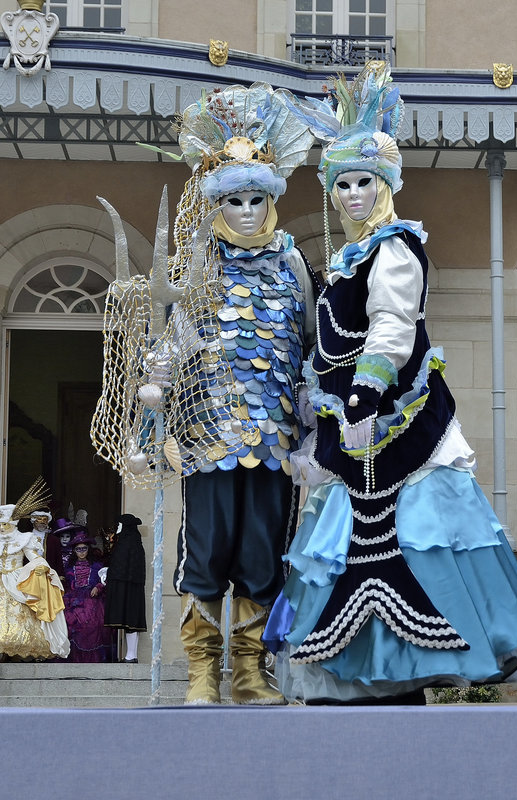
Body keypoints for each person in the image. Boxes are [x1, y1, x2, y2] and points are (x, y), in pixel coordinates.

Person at [264, 63, 517, 703]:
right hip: (351, 437)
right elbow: (329, 346)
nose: (352, 195)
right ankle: (380, 672)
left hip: (398, 420)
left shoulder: (395, 249)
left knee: (429, 533)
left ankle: (460, 651)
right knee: (348, 547)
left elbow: (392, 328)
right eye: (342, 184)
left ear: (386, 186)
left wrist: (362, 396)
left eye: (364, 183)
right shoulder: (345, 260)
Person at [91, 83, 317, 704]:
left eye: (256, 198)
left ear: (271, 199)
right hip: (209, 437)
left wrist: (316, 425)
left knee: (263, 550)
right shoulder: (198, 269)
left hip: (273, 438)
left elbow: (310, 350)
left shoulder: (294, 265)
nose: (246, 211)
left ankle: (250, 669)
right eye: (235, 200)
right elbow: (167, 353)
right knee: (208, 548)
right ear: (218, 204)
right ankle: (200, 670)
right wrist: (150, 404)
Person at [0, 482, 69, 661]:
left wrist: (40, 565)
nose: (1, 528)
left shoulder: (24, 539)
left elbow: (33, 556)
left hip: (16, 579)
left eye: (5, 525)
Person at [63, 530, 111, 663]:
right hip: (73, 601)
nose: (82, 552)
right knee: (71, 626)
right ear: (74, 551)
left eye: (84, 548)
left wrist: (98, 587)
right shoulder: (69, 568)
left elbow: (105, 580)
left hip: (92, 600)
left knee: (92, 626)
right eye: (78, 549)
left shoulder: (97, 566)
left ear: (88, 549)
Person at [104, 513, 147, 663]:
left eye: (119, 525)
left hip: (126, 587)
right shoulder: (135, 543)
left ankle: (130, 655)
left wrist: (111, 577)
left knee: (130, 619)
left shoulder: (125, 544)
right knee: (132, 620)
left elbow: (120, 567)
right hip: (131, 587)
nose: (117, 528)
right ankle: (131, 655)